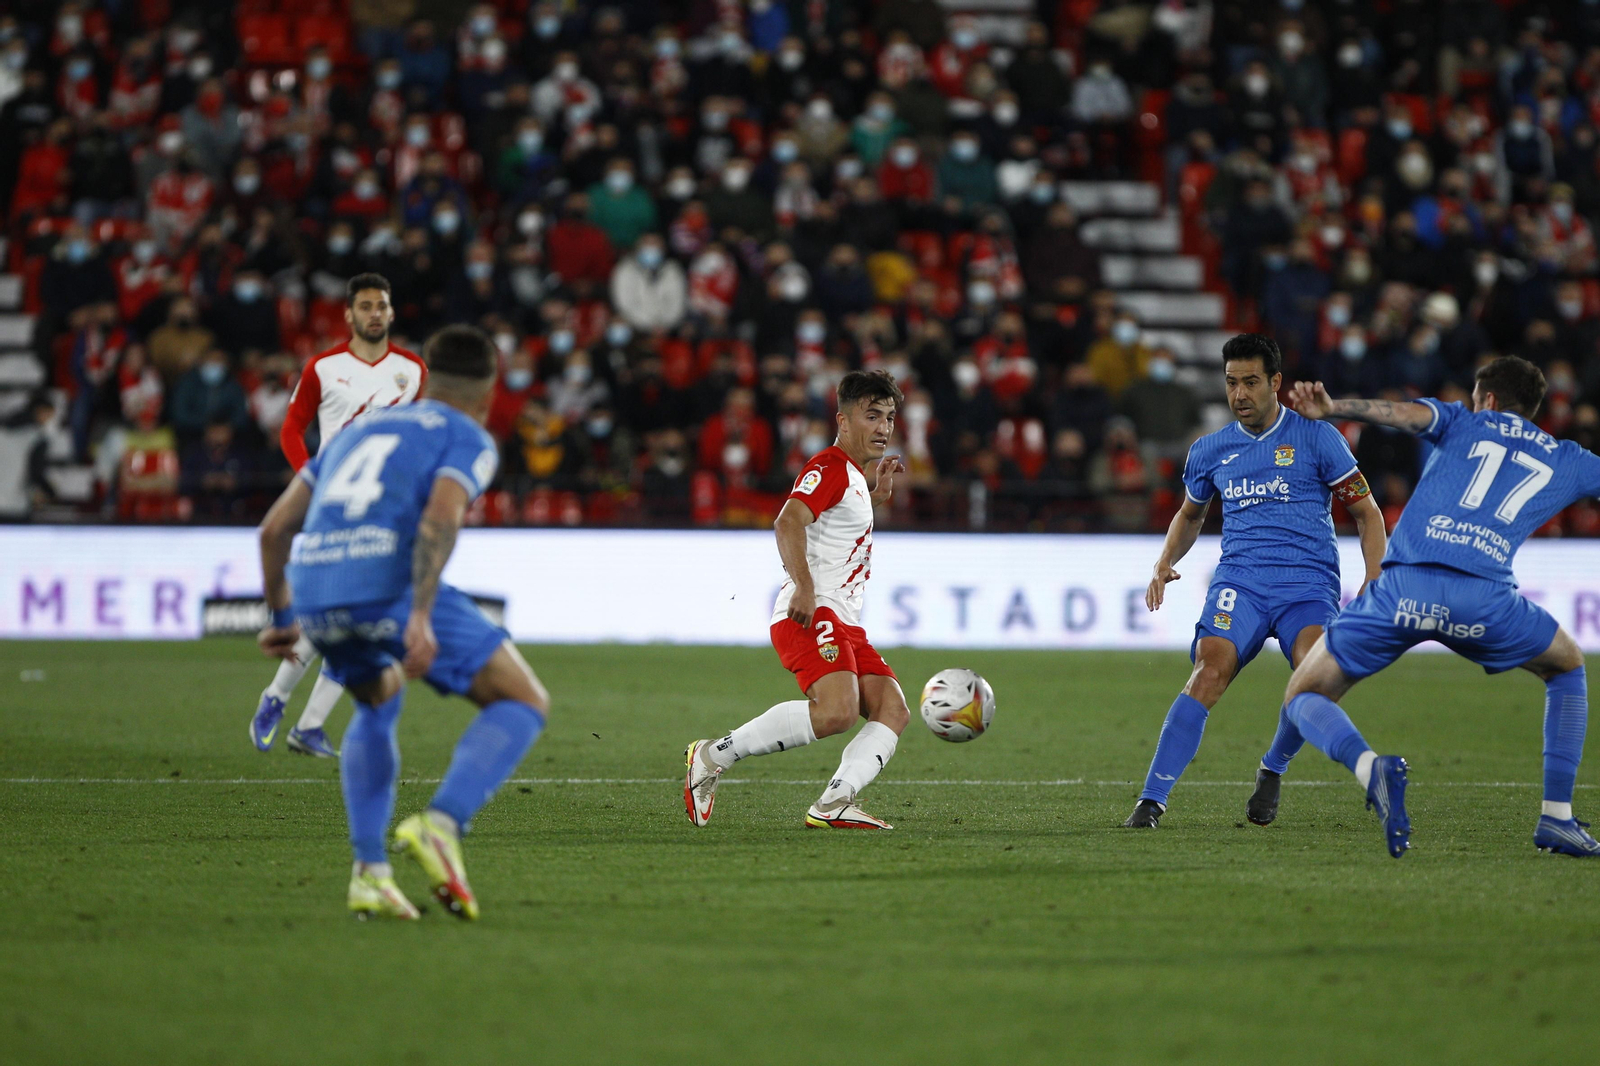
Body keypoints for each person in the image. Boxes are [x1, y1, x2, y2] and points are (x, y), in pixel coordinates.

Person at [255, 324, 551, 918]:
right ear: (488, 394)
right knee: (522, 701)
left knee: (377, 697)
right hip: (384, 579)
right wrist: (418, 614)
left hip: (316, 585)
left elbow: (273, 529)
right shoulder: (467, 436)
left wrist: (284, 615)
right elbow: (441, 518)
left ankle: (369, 872)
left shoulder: (358, 429)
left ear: (426, 380)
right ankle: (441, 825)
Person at [1266, 358, 1600, 858]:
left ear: (1485, 399)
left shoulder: (1465, 421)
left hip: (1403, 588)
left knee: (1303, 695)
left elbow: (1399, 414)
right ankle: (1556, 818)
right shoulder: (1568, 456)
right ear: (1530, 410)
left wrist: (1333, 409)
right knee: (1568, 666)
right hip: (1485, 602)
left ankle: (1370, 768)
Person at [1127, 334, 1387, 829]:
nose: (1239, 394)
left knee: (1313, 681)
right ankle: (1151, 801)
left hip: (1307, 585)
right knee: (1209, 670)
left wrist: (1375, 581)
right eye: (1231, 383)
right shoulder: (1210, 451)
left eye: (1250, 382)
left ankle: (1273, 768)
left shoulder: (1319, 437)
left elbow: (1367, 514)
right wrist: (1164, 560)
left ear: (1275, 383)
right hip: (1241, 583)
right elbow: (1189, 515)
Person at [683, 370, 910, 830]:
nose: (884, 427)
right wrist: (803, 585)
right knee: (838, 711)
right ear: (843, 421)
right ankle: (710, 756)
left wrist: (875, 496)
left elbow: (835, 523)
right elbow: (788, 522)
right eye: (872, 416)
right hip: (811, 610)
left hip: (843, 619)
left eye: (888, 417)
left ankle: (833, 803)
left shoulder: (850, 477)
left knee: (892, 708)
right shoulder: (827, 466)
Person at [249, 274, 428, 759]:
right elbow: (292, 428)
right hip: (333, 509)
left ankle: (307, 725)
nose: (374, 313)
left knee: (361, 618)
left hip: (385, 509)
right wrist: (311, 478)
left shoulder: (412, 371)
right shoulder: (324, 367)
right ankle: (278, 699)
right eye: (365, 306)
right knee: (332, 614)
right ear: (348, 315)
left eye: (382, 305)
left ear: (391, 314)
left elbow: (415, 437)